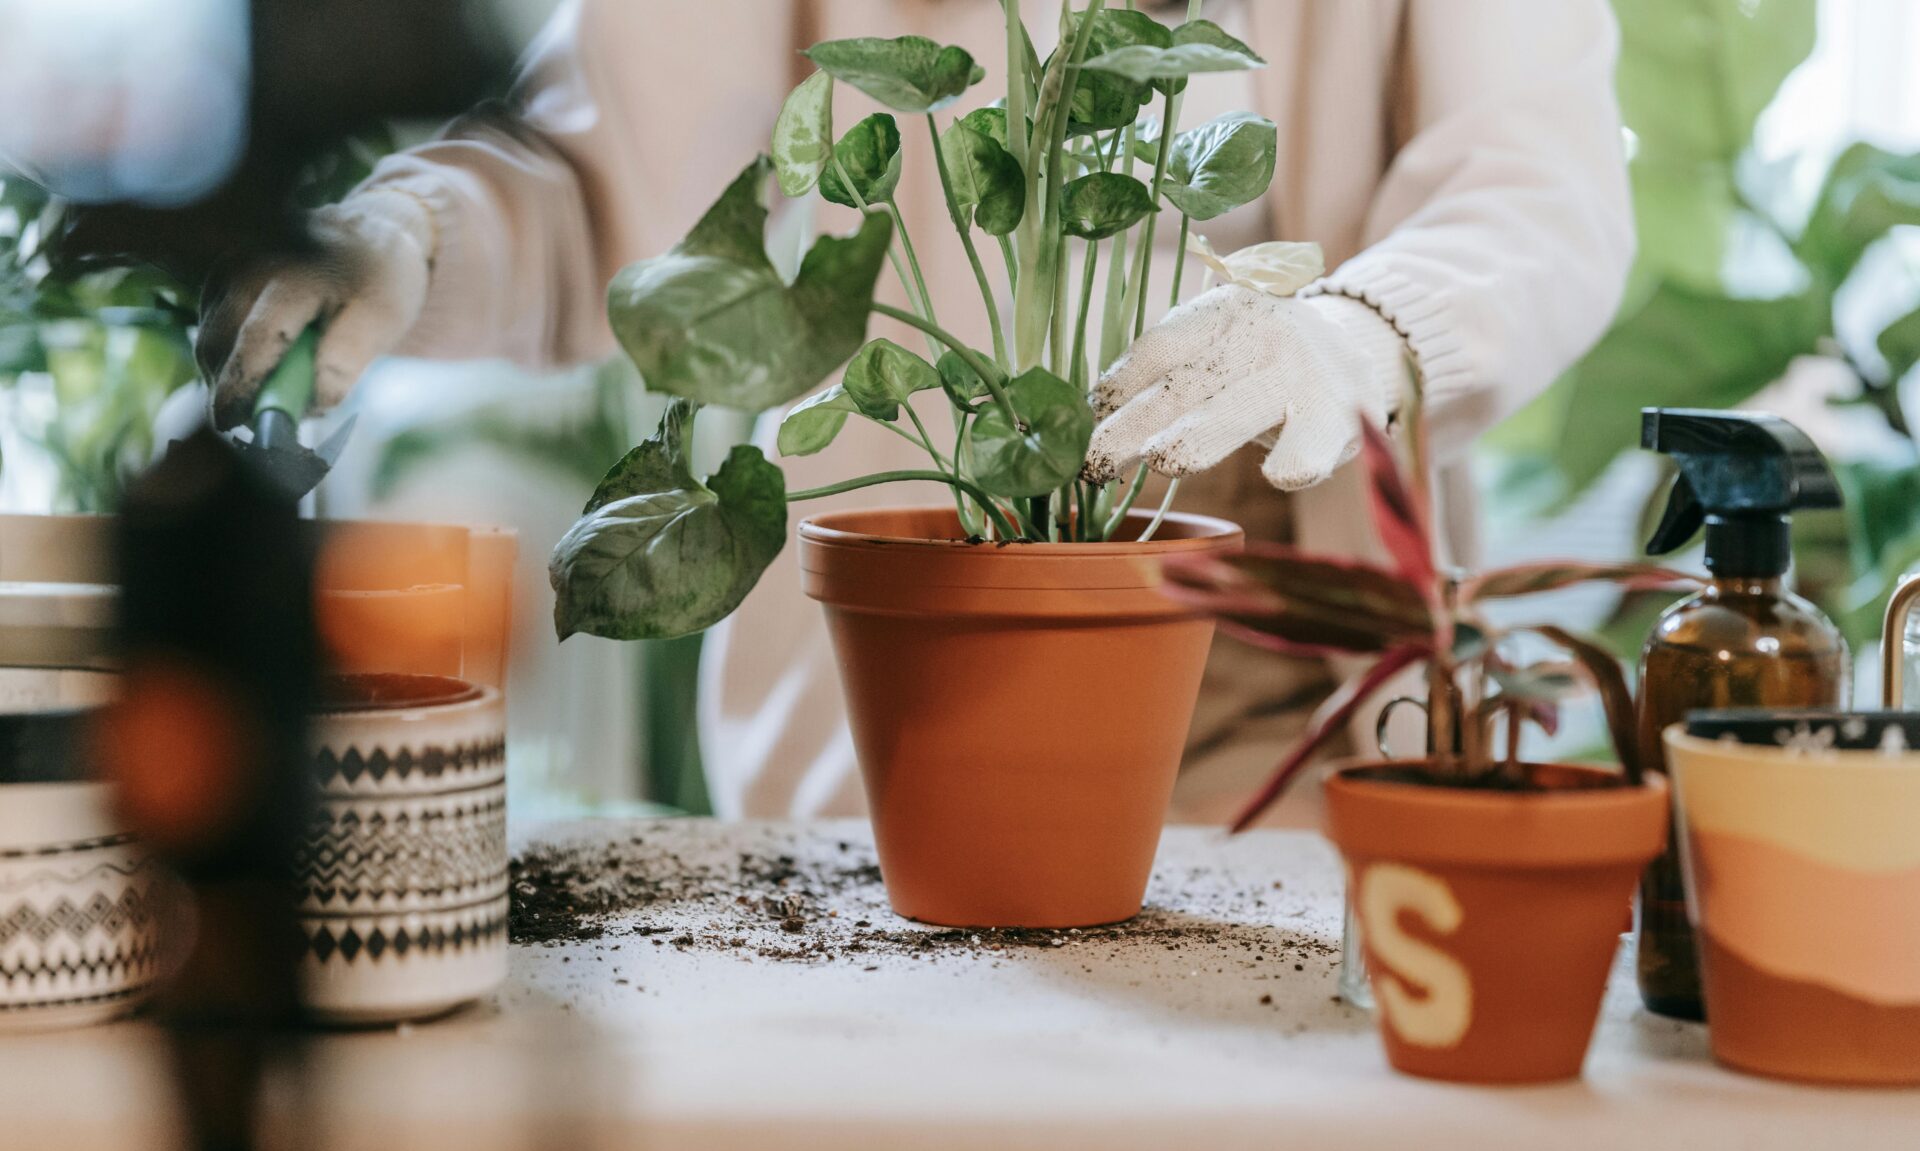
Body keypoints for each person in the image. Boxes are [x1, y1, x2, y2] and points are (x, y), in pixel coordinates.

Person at [197, 0, 1633, 824]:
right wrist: (413, 236)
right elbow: (600, 178)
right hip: (899, 708)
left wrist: (1355, 337)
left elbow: (1536, 186)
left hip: (1285, 705)